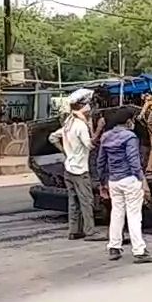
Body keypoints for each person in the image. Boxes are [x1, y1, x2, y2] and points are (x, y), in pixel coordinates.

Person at [96, 110, 152, 264]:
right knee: (134, 215)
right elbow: (134, 161)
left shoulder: (106, 137)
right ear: (128, 121)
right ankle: (139, 251)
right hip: (130, 180)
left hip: (114, 181)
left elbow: (100, 162)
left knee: (117, 213)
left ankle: (114, 247)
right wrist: (143, 182)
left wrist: (102, 182)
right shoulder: (130, 137)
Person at [50, 98, 102, 241]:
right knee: (86, 200)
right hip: (80, 170)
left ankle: (74, 231)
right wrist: (97, 130)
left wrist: (65, 152)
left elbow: (52, 137)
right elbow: (90, 145)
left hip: (69, 168)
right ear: (84, 111)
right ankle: (90, 231)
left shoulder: (68, 124)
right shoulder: (80, 126)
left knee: (73, 201)